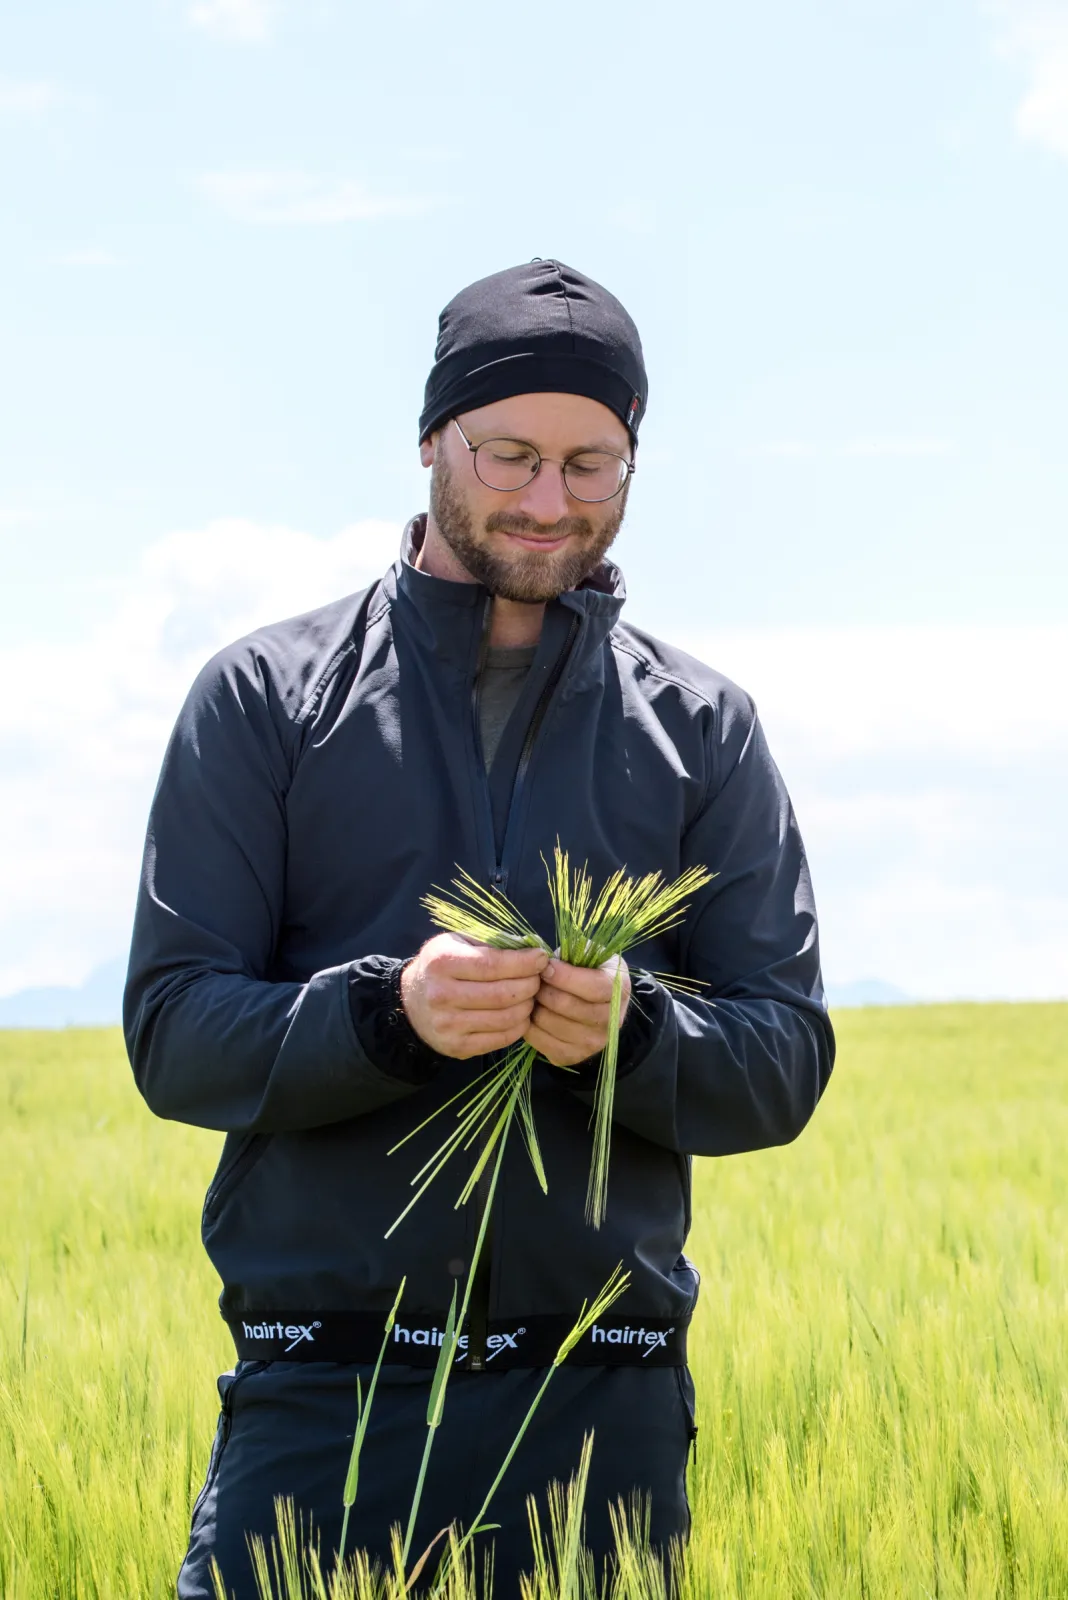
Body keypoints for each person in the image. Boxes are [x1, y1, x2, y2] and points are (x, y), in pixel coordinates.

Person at [124, 258, 835, 1599]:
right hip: (321, 1400)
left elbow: (784, 1061)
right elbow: (173, 1034)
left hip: (602, 1412)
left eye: (592, 464)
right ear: (432, 441)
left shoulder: (705, 731)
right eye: (510, 455)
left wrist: (634, 1033)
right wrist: (385, 1014)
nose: (550, 501)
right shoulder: (265, 699)